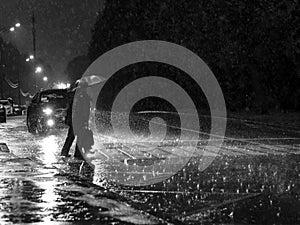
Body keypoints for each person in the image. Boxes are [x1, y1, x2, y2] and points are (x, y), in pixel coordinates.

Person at [60, 81, 83, 159]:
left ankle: (65, 152)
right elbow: (80, 109)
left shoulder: (74, 95)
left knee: (71, 137)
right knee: (78, 136)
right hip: (78, 120)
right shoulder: (80, 96)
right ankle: (77, 153)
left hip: (74, 120)